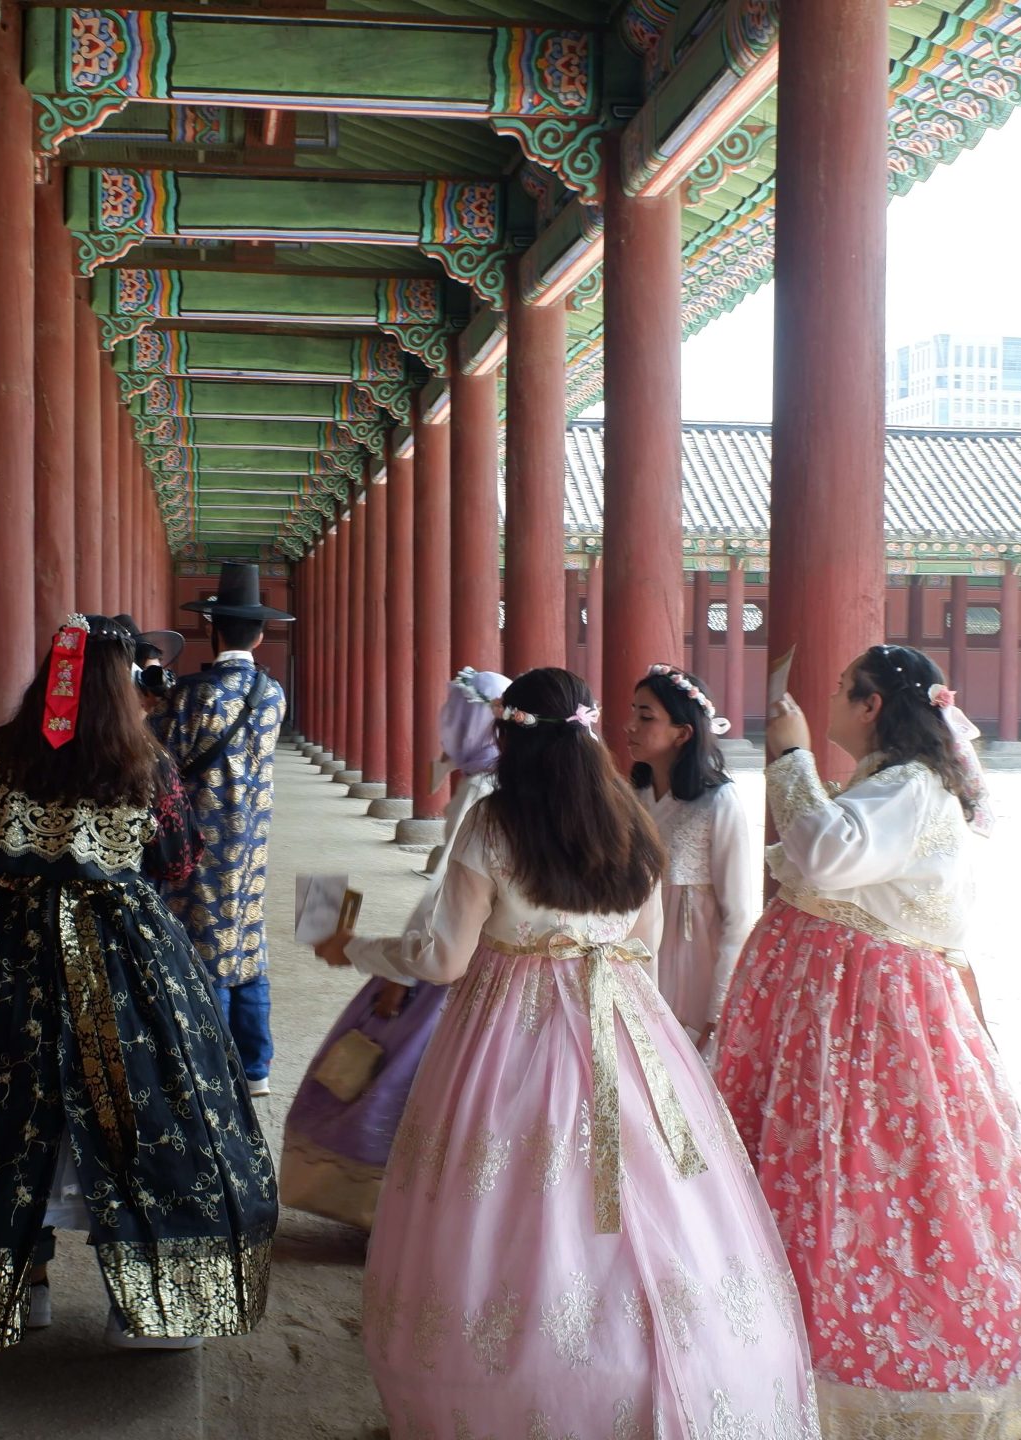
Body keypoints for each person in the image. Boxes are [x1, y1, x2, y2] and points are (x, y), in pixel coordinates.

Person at [318, 668, 818, 1436]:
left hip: (507, 1032)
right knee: (646, 1192)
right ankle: (667, 1363)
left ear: (510, 737)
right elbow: (644, 942)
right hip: (626, 1020)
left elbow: (445, 959)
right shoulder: (631, 813)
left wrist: (356, 947)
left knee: (512, 1197)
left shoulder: (493, 823)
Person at [713, 644, 1021, 1437]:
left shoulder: (911, 788)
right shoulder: (888, 783)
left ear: (872, 705)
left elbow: (821, 854)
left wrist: (788, 757)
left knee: (868, 1176)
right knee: (822, 1169)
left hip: (868, 1026)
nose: (834, 702)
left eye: (843, 690)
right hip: (837, 1020)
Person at [0, 614, 276, 1353]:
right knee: (135, 1102)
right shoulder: (145, 761)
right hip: (123, 948)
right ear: (125, 682)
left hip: (8, 949)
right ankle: (143, 1301)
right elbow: (178, 859)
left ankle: (17, 1285)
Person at [280, 667, 509, 1231]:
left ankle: (404, 1209)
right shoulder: (501, 783)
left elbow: (444, 901)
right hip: (499, 959)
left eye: (453, 715)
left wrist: (382, 963)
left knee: (402, 1079)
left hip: (455, 963)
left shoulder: (485, 792)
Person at [162, 563, 289, 1096]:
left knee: (202, 944)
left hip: (201, 836)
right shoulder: (273, 694)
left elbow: (162, 762)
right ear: (259, 635)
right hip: (252, 837)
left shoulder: (192, 695)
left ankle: (209, 1067)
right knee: (247, 941)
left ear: (211, 629)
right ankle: (255, 1067)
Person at [624, 663, 760, 1058]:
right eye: (633, 711)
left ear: (683, 732)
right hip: (636, 944)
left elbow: (738, 913)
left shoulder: (719, 802)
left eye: (645, 716)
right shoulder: (636, 796)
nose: (630, 725)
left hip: (692, 956)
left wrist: (719, 1002)